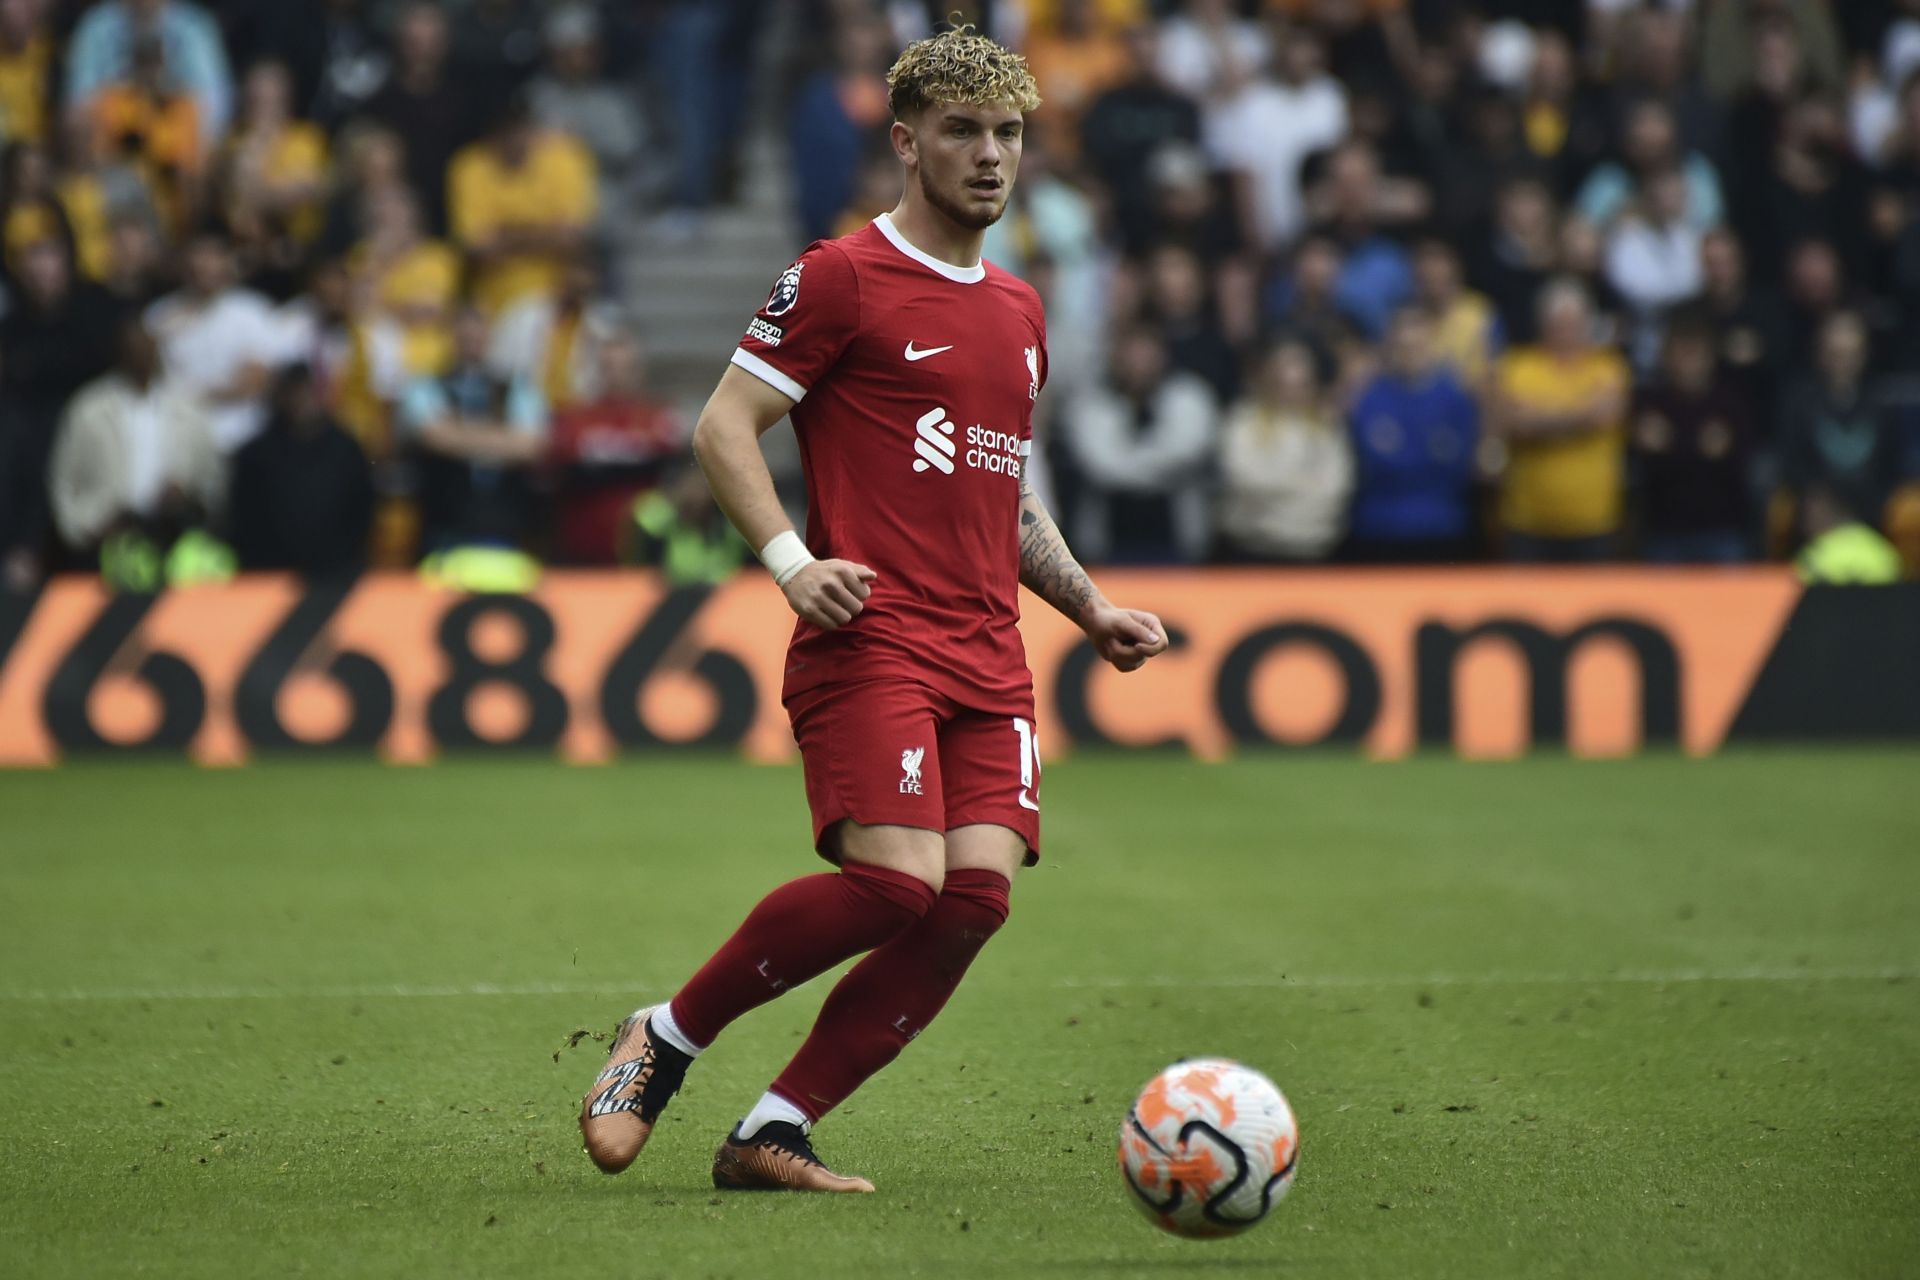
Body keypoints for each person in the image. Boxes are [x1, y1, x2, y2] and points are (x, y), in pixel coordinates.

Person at [578, 24, 1168, 1193]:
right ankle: (667, 1034)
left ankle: (773, 1129)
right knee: (898, 881)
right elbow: (720, 426)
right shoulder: (841, 275)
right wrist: (794, 560)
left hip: (989, 653)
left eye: (1008, 134)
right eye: (962, 132)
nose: (991, 156)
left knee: (972, 902)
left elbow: (1004, 495)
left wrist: (1090, 607)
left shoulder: (1019, 310)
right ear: (906, 143)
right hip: (874, 638)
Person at [48, 317, 222, 571]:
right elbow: (62, 478)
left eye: (146, 347)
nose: (140, 355)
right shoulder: (90, 408)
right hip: (105, 539)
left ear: (157, 350)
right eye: (131, 349)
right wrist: (80, 528)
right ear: (120, 353)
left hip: (174, 539)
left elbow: (213, 475)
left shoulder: (188, 407)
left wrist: (187, 495)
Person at [1489, 279, 1631, 562]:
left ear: (1587, 324)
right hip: (1528, 522)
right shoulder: (1518, 367)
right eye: (1558, 323)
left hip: (1593, 522)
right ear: (1542, 324)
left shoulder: (1608, 367)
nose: (1566, 331)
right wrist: (1579, 415)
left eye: (1573, 322)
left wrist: (1539, 417)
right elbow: (1513, 423)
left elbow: (1603, 416)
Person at [1060, 321, 1219, 563]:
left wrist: (1127, 459)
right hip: (1107, 547)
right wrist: (1160, 466)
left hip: (1178, 544)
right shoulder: (1090, 403)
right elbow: (1101, 466)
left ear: (1163, 356)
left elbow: (1186, 454)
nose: (1139, 364)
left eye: (1147, 354)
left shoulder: (1190, 396)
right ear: (1115, 356)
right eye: (1131, 354)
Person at [397, 304, 546, 552]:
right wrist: (502, 435)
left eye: (477, 334)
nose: (471, 342)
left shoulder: (517, 387)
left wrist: (459, 431)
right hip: (445, 527)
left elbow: (529, 445)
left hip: (504, 526)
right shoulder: (424, 386)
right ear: (451, 337)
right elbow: (436, 437)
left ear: (489, 336)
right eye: (464, 335)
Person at [1345, 305, 1481, 563]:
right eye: (1402, 346)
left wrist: (1403, 457)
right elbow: (1371, 463)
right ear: (1390, 346)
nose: (1410, 353)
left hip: (1443, 528)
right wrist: (1421, 456)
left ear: (1431, 344)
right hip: (1379, 529)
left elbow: (1457, 466)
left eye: (1417, 345)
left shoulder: (1455, 398)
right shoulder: (1369, 397)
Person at [447, 93, 597, 316]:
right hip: (493, 304)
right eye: (505, 130)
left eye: (520, 127)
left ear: (532, 127)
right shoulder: (470, 166)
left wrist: (505, 234)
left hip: (556, 300)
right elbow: (478, 249)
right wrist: (546, 235)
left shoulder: (564, 157)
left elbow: (572, 239)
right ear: (492, 134)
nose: (514, 138)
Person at [547, 331, 684, 564]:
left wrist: (602, 463)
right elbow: (566, 470)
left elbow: (670, 470)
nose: (617, 375)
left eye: (625, 367)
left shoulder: (659, 417)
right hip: (583, 553)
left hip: (645, 555)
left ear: (639, 370)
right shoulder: (573, 418)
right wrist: (637, 460)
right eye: (608, 366)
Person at [144, 227, 286, 450]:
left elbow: (254, 382)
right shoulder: (160, 315)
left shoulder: (253, 311)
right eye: (198, 257)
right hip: (178, 440)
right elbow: (150, 379)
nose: (204, 266)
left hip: (241, 440)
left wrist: (192, 396)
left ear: (227, 262)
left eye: (213, 257)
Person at [1629, 313, 1755, 564]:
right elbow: (1642, 465)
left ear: (1710, 356)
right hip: (1664, 533)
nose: (1689, 362)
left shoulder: (1729, 403)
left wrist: (1674, 445)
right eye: (1681, 352)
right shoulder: (1651, 402)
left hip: (1721, 531)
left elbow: (1740, 462)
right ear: (1667, 357)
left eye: (1695, 352)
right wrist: (1698, 449)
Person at [229, 363, 374, 578]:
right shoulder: (256, 453)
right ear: (281, 396)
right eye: (295, 392)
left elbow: (363, 507)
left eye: (309, 392)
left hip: (336, 572)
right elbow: (243, 515)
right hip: (270, 574)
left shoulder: (347, 449)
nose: (303, 400)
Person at [1216, 338, 1352, 561]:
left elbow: (1335, 488)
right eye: (1281, 378)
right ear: (1268, 377)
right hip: (1252, 549)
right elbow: (1245, 480)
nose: (1291, 386)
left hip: (1313, 550)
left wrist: (1278, 492)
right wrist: (1302, 488)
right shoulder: (1243, 421)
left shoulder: (1328, 425)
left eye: (1301, 380)